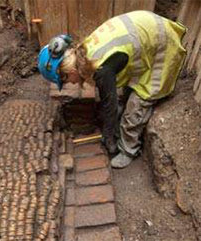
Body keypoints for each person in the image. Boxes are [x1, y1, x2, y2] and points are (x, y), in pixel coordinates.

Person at [38, 10, 187, 168]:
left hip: (163, 45)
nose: (73, 84)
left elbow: (110, 104)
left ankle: (129, 149)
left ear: (69, 72)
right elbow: (109, 98)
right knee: (126, 93)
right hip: (147, 35)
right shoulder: (84, 51)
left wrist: (109, 138)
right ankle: (122, 125)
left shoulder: (101, 69)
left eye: (67, 81)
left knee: (137, 105)